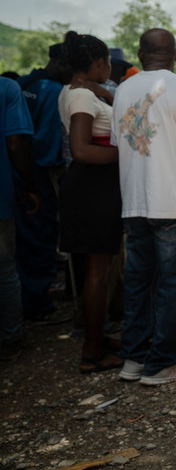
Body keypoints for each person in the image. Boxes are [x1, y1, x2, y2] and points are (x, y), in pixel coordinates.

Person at [112, 29, 176, 385]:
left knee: (138, 282)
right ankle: (162, 363)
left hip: (135, 201)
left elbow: (118, 143)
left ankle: (135, 359)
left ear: (140, 54)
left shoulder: (123, 89)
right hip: (174, 202)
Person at [57, 31, 123, 374]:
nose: (110, 69)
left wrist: (107, 94)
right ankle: (92, 350)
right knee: (97, 272)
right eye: (108, 63)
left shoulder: (81, 92)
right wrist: (125, 155)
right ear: (98, 63)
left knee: (100, 270)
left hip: (94, 186)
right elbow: (81, 149)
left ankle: (97, 336)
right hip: (93, 187)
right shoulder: (82, 97)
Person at [14, 44, 71, 323]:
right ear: (61, 63)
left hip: (15, 174)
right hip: (38, 176)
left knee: (22, 240)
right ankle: (38, 305)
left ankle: (23, 300)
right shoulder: (52, 91)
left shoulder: (23, 84)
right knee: (40, 237)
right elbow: (49, 145)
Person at [1, 77, 39, 361]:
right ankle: (11, 338)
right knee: (4, 269)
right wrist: (30, 184)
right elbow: (16, 144)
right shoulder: (6, 89)